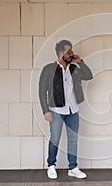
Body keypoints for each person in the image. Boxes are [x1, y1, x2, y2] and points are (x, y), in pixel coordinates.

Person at [39, 40, 93, 179]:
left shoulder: (74, 69)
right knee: (55, 139)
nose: (72, 54)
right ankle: (51, 165)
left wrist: (80, 62)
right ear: (61, 53)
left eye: (72, 51)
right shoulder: (49, 69)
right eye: (69, 52)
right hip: (56, 111)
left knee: (73, 140)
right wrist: (45, 110)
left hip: (72, 110)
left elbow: (89, 75)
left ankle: (73, 167)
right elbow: (41, 90)